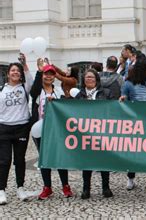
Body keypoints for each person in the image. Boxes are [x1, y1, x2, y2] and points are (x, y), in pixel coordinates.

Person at [120, 56, 146, 191]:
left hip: (135, 123)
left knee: (133, 150)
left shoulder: (128, 82)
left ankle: (130, 179)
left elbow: (123, 99)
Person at [30, 63, 71, 200]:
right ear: (43, 75)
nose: (48, 76)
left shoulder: (58, 91)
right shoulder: (37, 91)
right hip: (40, 129)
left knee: (60, 158)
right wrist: (38, 71)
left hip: (57, 130)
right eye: (46, 74)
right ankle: (47, 187)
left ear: (54, 77)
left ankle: (65, 186)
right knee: (44, 158)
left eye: (51, 74)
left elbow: (65, 107)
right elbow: (33, 90)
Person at [0, 54, 36, 205]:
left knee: (20, 160)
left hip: (21, 127)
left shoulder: (24, 87)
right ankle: (1, 190)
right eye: (12, 70)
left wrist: (25, 65)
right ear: (8, 73)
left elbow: (31, 80)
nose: (15, 73)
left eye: (18, 71)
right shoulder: (1, 89)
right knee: (4, 160)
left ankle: (20, 187)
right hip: (3, 128)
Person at [75, 69, 113, 199]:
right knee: (87, 162)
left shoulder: (106, 93)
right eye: (87, 77)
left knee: (104, 160)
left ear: (96, 79)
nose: (89, 79)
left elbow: (114, 109)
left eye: (91, 77)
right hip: (85, 133)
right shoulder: (79, 95)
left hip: (102, 132)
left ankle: (106, 187)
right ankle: (86, 189)